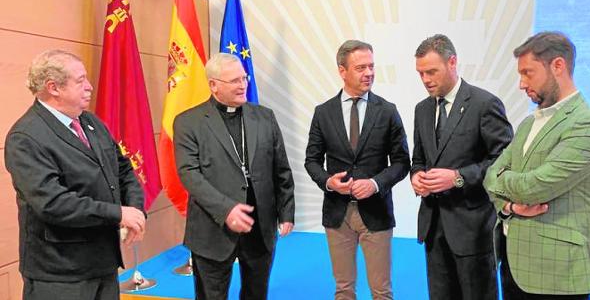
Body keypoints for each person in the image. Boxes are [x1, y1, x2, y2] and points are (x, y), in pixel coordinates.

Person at [4, 49, 146, 300]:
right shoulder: (26, 137)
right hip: (61, 273)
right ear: (53, 87)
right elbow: (53, 203)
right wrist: (118, 214)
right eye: (80, 81)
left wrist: (135, 210)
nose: (90, 87)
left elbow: (123, 168)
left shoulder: (92, 123)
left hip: (103, 262)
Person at [484, 32, 590, 300]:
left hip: (557, 274)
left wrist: (504, 181)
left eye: (528, 73)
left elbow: (535, 187)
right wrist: (509, 206)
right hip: (513, 264)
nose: (521, 84)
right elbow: (489, 176)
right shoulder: (528, 123)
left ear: (557, 66)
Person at [173, 53, 295, 300]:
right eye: (234, 81)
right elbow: (189, 174)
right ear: (213, 85)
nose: (243, 85)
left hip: (259, 226)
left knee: (256, 293)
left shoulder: (264, 117)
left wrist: (286, 212)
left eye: (244, 78)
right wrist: (226, 209)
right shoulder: (188, 122)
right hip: (212, 229)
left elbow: (280, 168)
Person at [305, 40, 410, 300]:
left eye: (372, 66)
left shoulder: (387, 111)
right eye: (361, 67)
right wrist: (329, 182)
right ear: (342, 70)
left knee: (381, 291)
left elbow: (401, 162)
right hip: (337, 214)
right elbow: (312, 161)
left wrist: (375, 184)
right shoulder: (323, 113)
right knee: (343, 290)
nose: (369, 73)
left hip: (376, 213)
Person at [410, 34, 513, 300]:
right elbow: (419, 158)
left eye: (431, 72)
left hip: (473, 229)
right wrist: (416, 177)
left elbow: (504, 162)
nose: (425, 80)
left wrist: (458, 178)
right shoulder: (421, 109)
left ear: (452, 62)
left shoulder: (484, 104)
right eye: (420, 73)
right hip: (433, 227)